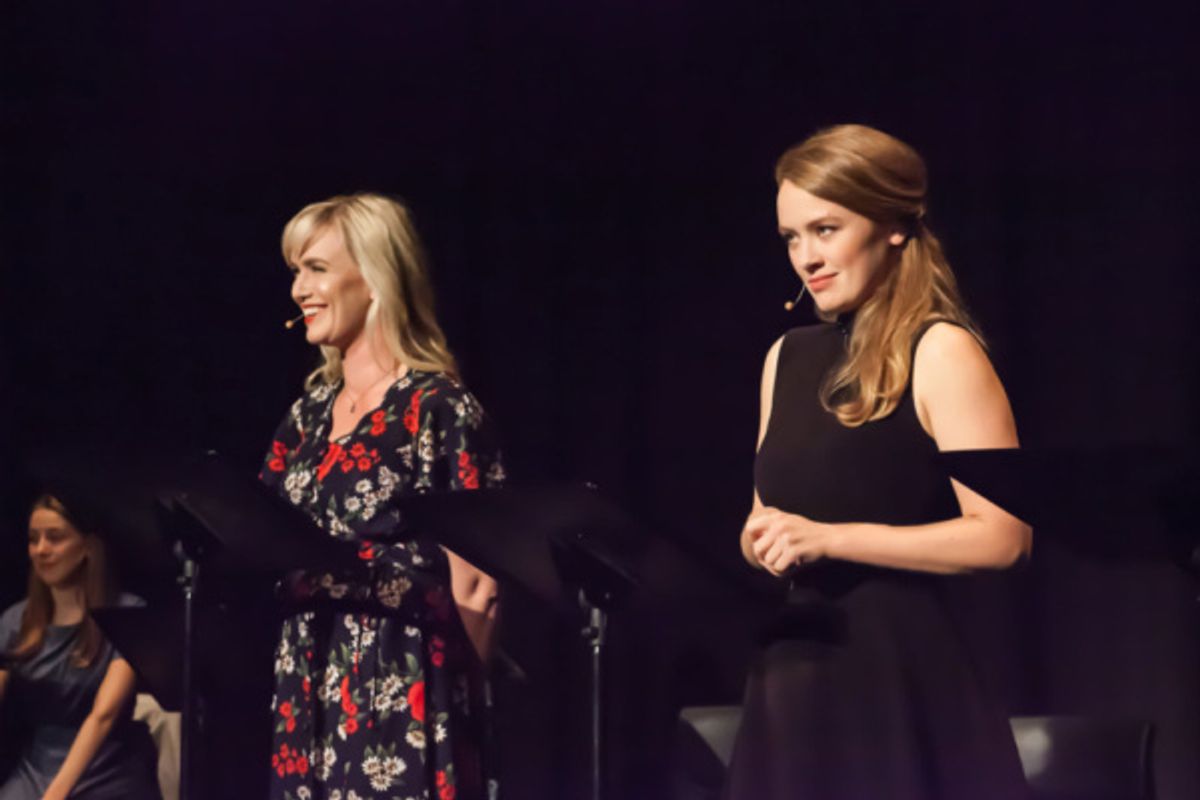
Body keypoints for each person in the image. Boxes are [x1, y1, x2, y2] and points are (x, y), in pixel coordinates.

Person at [726, 124, 1032, 799]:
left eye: (826, 229)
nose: (807, 257)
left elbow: (1004, 535)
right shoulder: (787, 358)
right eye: (791, 238)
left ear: (891, 225)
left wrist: (834, 539)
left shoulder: (941, 350)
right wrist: (761, 544)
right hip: (793, 668)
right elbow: (764, 518)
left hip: (897, 679)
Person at [262, 192, 505, 800]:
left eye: (316, 268)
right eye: (296, 270)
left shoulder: (437, 408)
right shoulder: (306, 416)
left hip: (402, 684)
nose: (298, 289)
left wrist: (458, 718)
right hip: (306, 681)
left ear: (375, 279)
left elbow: (478, 584)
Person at [0, 495, 161, 800]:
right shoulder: (15, 620)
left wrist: (56, 794)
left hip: (107, 766)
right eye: (34, 539)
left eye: (55, 538)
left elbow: (103, 715)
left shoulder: (127, 614)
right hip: (38, 764)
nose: (41, 550)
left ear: (87, 547)